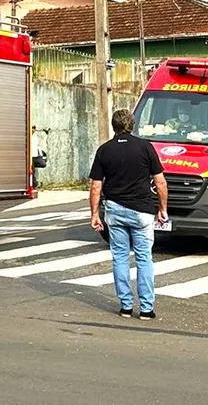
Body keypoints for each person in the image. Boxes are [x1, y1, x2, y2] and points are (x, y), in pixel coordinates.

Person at [89, 110, 168, 320]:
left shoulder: (104, 150)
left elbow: (96, 186)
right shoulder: (145, 147)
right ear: (132, 125)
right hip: (142, 211)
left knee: (120, 258)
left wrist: (95, 214)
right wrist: (162, 209)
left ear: (114, 126)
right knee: (144, 258)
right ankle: (146, 308)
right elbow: (160, 182)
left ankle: (125, 306)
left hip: (114, 211)